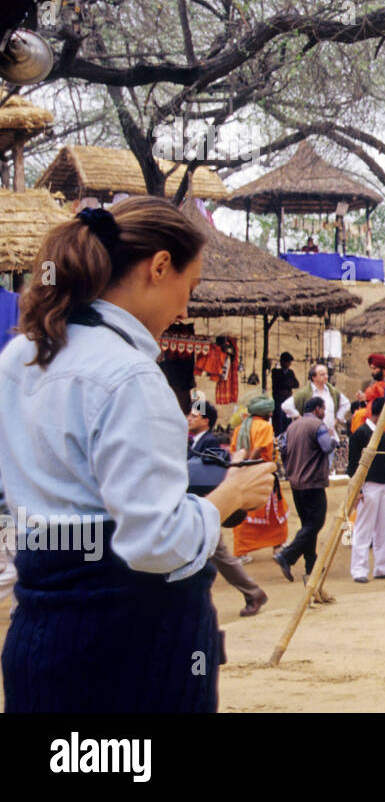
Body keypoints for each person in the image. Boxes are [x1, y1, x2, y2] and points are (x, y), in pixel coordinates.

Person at [0, 198, 274, 712]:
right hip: (130, 648)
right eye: (188, 289)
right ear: (159, 266)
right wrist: (224, 499)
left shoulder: (20, 356)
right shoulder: (129, 377)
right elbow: (155, 542)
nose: (186, 310)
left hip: (40, 634)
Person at [187, 400, 269, 616]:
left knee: (216, 555)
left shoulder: (210, 443)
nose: (189, 418)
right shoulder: (193, 442)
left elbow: (213, 474)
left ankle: (253, 592)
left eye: (194, 416)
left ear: (206, 421)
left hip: (209, 506)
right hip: (198, 507)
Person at [275, 395, 338, 601]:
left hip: (296, 483)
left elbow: (282, 448)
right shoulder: (317, 425)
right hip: (313, 482)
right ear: (318, 409)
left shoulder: (292, 427)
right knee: (316, 522)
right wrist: (334, 439)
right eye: (324, 409)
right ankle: (288, 555)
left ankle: (311, 565)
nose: (324, 412)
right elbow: (326, 447)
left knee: (307, 524)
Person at [347, 397, 385, 582]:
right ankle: (359, 570)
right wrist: (358, 489)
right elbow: (353, 464)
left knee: (383, 527)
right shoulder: (360, 433)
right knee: (363, 527)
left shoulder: (382, 433)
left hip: (383, 484)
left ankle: (382, 567)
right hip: (368, 485)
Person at [283, 362, 349, 440]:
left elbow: (346, 404)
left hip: (329, 435)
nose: (326, 377)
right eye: (322, 375)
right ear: (314, 377)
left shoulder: (332, 392)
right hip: (310, 436)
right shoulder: (305, 393)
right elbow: (286, 405)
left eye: (326, 374)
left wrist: (337, 419)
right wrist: (299, 417)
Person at [270, 351, 298, 435]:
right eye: (287, 362)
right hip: (278, 401)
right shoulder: (276, 372)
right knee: (278, 422)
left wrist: (287, 384)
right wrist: (288, 384)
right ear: (282, 362)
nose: (288, 364)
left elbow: (296, 384)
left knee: (287, 421)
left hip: (287, 401)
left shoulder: (290, 373)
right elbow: (279, 383)